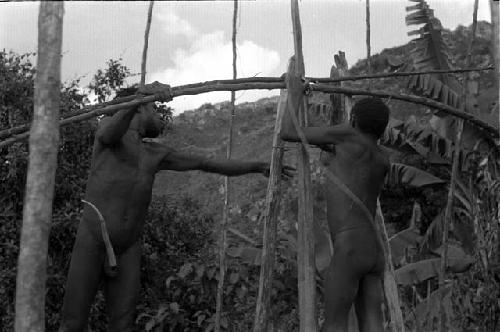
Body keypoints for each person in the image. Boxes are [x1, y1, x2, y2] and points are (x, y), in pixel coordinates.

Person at [59, 82, 294, 332]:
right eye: (154, 109)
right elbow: (109, 134)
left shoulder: (155, 154)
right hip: (93, 237)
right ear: (140, 110)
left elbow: (208, 163)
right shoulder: (108, 130)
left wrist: (257, 166)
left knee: (123, 325)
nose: (159, 116)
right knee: (73, 323)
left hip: (128, 246)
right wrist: (140, 98)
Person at [280, 75, 390, 332]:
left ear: (353, 121)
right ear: (381, 130)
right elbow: (347, 161)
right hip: (374, 250)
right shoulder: (382, 158)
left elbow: (288, 131)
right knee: (373, 323)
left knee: (335, 324)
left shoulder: (347, 136)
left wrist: (295, 92)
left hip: (350, 246)